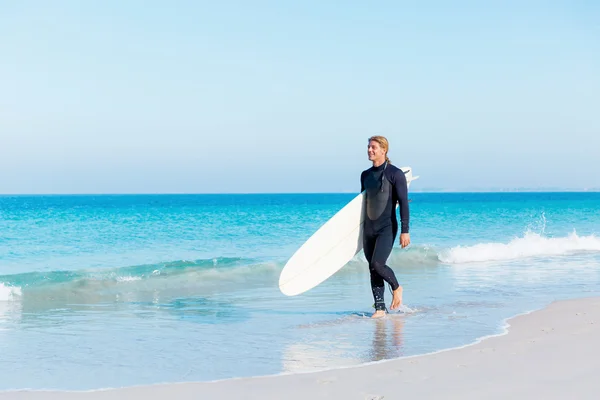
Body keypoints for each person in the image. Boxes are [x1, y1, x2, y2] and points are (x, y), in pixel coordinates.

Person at [360, 135, 410, 318]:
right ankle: (380, 308)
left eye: (373, 147)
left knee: (378, 263)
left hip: (386, 227)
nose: (369, 150)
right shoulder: (365, 175)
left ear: (383, 150)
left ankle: (396, 287)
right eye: (368, 147)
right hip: (368, 228)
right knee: (372, 268)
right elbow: (362, 204)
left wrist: (405, 230)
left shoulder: (394, 174)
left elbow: (404, 203)